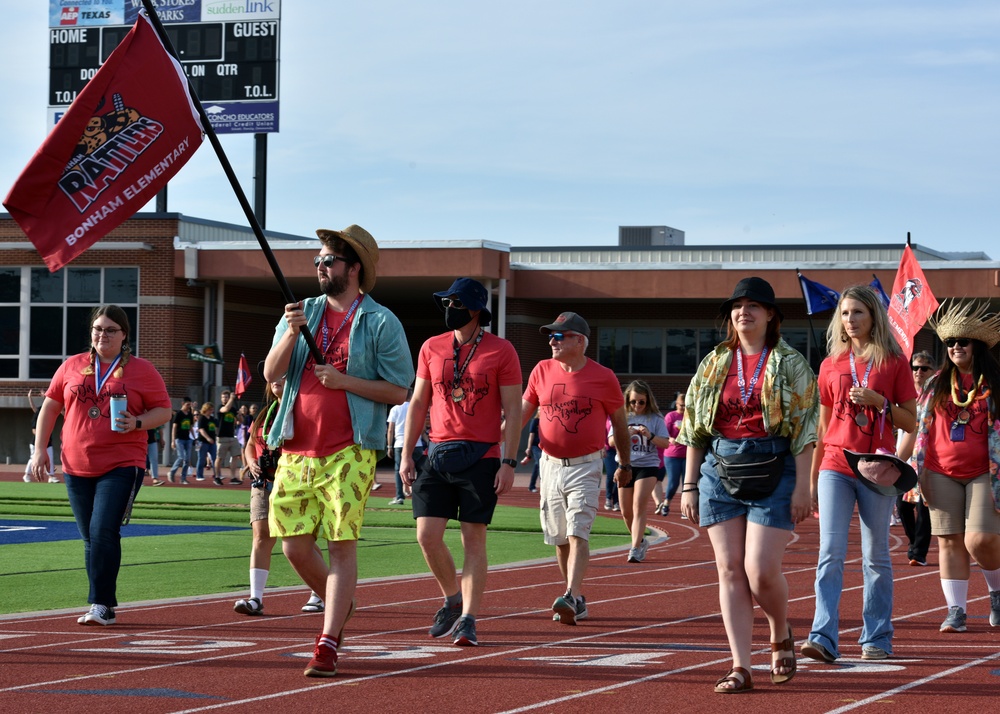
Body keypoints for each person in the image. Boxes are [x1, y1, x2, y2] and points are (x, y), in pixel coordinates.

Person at [264, 224, 413, 677]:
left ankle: (327, 643)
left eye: (328, 261)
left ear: (352, 268)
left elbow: (400, 389)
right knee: (292, 546)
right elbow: (270, 373)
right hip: (295, 447)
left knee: (340, 541)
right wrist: (291, 334)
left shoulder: (380, 321)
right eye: (317, 261)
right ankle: (338, 601)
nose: (320, 268)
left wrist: (345, 381)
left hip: (350, 448)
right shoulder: (301, 312)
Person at [678, 276, 818, 693]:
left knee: (759, 570)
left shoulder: (790, 361)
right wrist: (688, 485)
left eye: (754, 305)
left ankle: (779, 628)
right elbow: (694, 428)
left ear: (771, 314)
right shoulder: (714, 362)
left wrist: (803, 488)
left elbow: (807, 427)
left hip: (776, 466)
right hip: (720, 468)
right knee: (728, 569)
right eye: (738, 306)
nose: (745, 312)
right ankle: (740, 665)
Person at [28, 305, 172, 625]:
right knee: (90, 537)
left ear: (124, 335)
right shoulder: (72, 366)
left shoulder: (142, 369)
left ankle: (102, 604)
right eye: (97, 329)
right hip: (76, 464)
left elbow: (163, 411)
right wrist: (40, 450)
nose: (101, 335)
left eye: (109, 330)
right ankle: (99, 600)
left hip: (123, 462)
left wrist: (137, 422)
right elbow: (50, 406)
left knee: (102, 530)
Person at [400, 277, 522, 647]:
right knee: (426, 535)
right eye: (446, 303)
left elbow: (514, 410)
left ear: (473, 309)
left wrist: (509, 462)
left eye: (455, 304)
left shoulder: (502, 351)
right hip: (437, 453)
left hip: (482, 456)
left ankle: (469, 617)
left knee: (474, 539)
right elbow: (418, 403)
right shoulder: (431, 347)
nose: (448, 310)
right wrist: (407, 452)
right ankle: (453, 598)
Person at [800, 284, 917, 664]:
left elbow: (912, 421)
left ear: (873, 317)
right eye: (845, 314)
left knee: (875, 555)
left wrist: (880, 402)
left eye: (858, 313)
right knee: (830, 553)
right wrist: (814, 478)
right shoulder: (830, 364)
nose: (850, 320)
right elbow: (821, 425)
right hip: (835, 463)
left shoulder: (894, 362)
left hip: (876, 467)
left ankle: (877, 637)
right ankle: (822, 637)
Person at [521, 311, 631, 625]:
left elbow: (620, 425)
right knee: (557, 537)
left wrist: (624, 463)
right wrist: (495, 446)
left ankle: (570, 592)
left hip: (586, 465)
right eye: (551, 335)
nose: (552, 341)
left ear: (579, 341)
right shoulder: (541, 370)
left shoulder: (603, 376)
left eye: (560, 335)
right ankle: (577, 600)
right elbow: (522, 414)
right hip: (549, 465)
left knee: (577, 531)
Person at [902, 301, 1000, 633]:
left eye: (963, 342)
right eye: (950, 343)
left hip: (986, 473)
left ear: (978, 346)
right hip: (939, 470)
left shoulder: (995, 383)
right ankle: (956, 610)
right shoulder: (935, 384)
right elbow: (919, 428)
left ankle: (996, 593)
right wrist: (908, 467)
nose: (956, 347)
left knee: (980, 540)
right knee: (948, 540)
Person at [233, 368, 323, 616]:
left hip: (293, 484)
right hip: (264, 483)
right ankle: (255, 598)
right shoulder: (264, 413)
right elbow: (251, 444)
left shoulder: (303, 410)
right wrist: (251, 462)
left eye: (283, 375)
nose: (276, 381)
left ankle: (319, 592)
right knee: (261, 536)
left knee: (300, 538)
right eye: (273, 377)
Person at [610, 380, 670, 563]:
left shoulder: (656, 419)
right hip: (626, 465)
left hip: (648, 466)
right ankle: (641, 541)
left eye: (641, 402)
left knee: (639, 505)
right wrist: (625, 433)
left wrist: (649, 435)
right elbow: (612, 442)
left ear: (648, 401)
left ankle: (634, 548)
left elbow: (666, 443)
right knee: (626, 512)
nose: (637, 405)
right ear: (628, 400)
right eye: (633, 401)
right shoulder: (622, 417)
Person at [897, 351, 935, 567]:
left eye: (924, 368)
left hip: (929, 460)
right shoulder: (906, 396)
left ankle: (918, 552)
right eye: (915, 368)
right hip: (907, 458)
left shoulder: (935, 394)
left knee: (923, 507)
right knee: (901, 506)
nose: (919, 372)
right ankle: (914, 543)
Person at [387, 392, 426, 505]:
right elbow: (422, 427)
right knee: (420, 470)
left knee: (399, 470)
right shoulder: (416, 408)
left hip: (400, 443)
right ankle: (420, 495)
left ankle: (400, 496)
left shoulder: (395, 409)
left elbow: (390, 429)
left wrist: (389, 446)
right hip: (416, 443)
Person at [658, 391, 687, 517]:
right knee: (673, 482)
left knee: (687, 482)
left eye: (686, 405)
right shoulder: (671, 416)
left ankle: (685, 508)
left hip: (687, 454)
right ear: (676, 404)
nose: (683, 408)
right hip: (672, 455)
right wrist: (670, 439)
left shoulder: (690, 417)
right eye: (681, 405)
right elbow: (664, 433)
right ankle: (666, 503)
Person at [24, 388, 59, 483]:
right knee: (33, 458)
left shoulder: (50, 411)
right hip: (36, 442)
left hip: (49, 441)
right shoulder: (38, 412)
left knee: (50, 458)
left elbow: (51, 404)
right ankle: (27, 475)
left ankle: (51, 477)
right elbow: (34, 408)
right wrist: (29, 398)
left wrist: (46, 396)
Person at [215, 389, 242, 485]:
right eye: (223, 397)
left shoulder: (233, 409)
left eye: (227, 397)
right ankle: (217, 476)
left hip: (232, 436)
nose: (225, 399)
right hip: (222, 437)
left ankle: (233, 477)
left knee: (235, 455)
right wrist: (231, 398)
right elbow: (225, 409)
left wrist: (239, 414)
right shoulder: (220, 407)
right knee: (220, 458)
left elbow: (240, 420)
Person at [168, 401, 194, 484]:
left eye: (190, 405)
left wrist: (194, 437)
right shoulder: (178, 414)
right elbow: (174, 427)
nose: (188, 406)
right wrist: (173, 440)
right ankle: (172, 472)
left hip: (187, 439)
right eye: (187, 404)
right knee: (181, 457)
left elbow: (190, 427)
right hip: (179, 439)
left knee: (187, 459)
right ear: (183, 403)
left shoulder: (190, 414)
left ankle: (183, 478)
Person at [195, 402, 218, 483]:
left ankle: (217, 475)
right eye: (210, 409)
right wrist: (208, 438)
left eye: (212, 409)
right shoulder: (202, 418)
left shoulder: (212, 419)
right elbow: (201, 429)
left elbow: (216, 428)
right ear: (206, 409)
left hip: (212, 442)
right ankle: (199, 475)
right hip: (202, 441)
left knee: (215, 459)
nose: (211, 411)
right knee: (201, 459)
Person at [522, 417, 542, 492]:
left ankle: (531, 485)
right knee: (539, 463)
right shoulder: (535, 421)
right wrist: (529, 448)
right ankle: (542, 484)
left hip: (544, 446)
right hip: (535, 446)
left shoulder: (547, 420)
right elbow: (531, 435)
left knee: (537, 465)